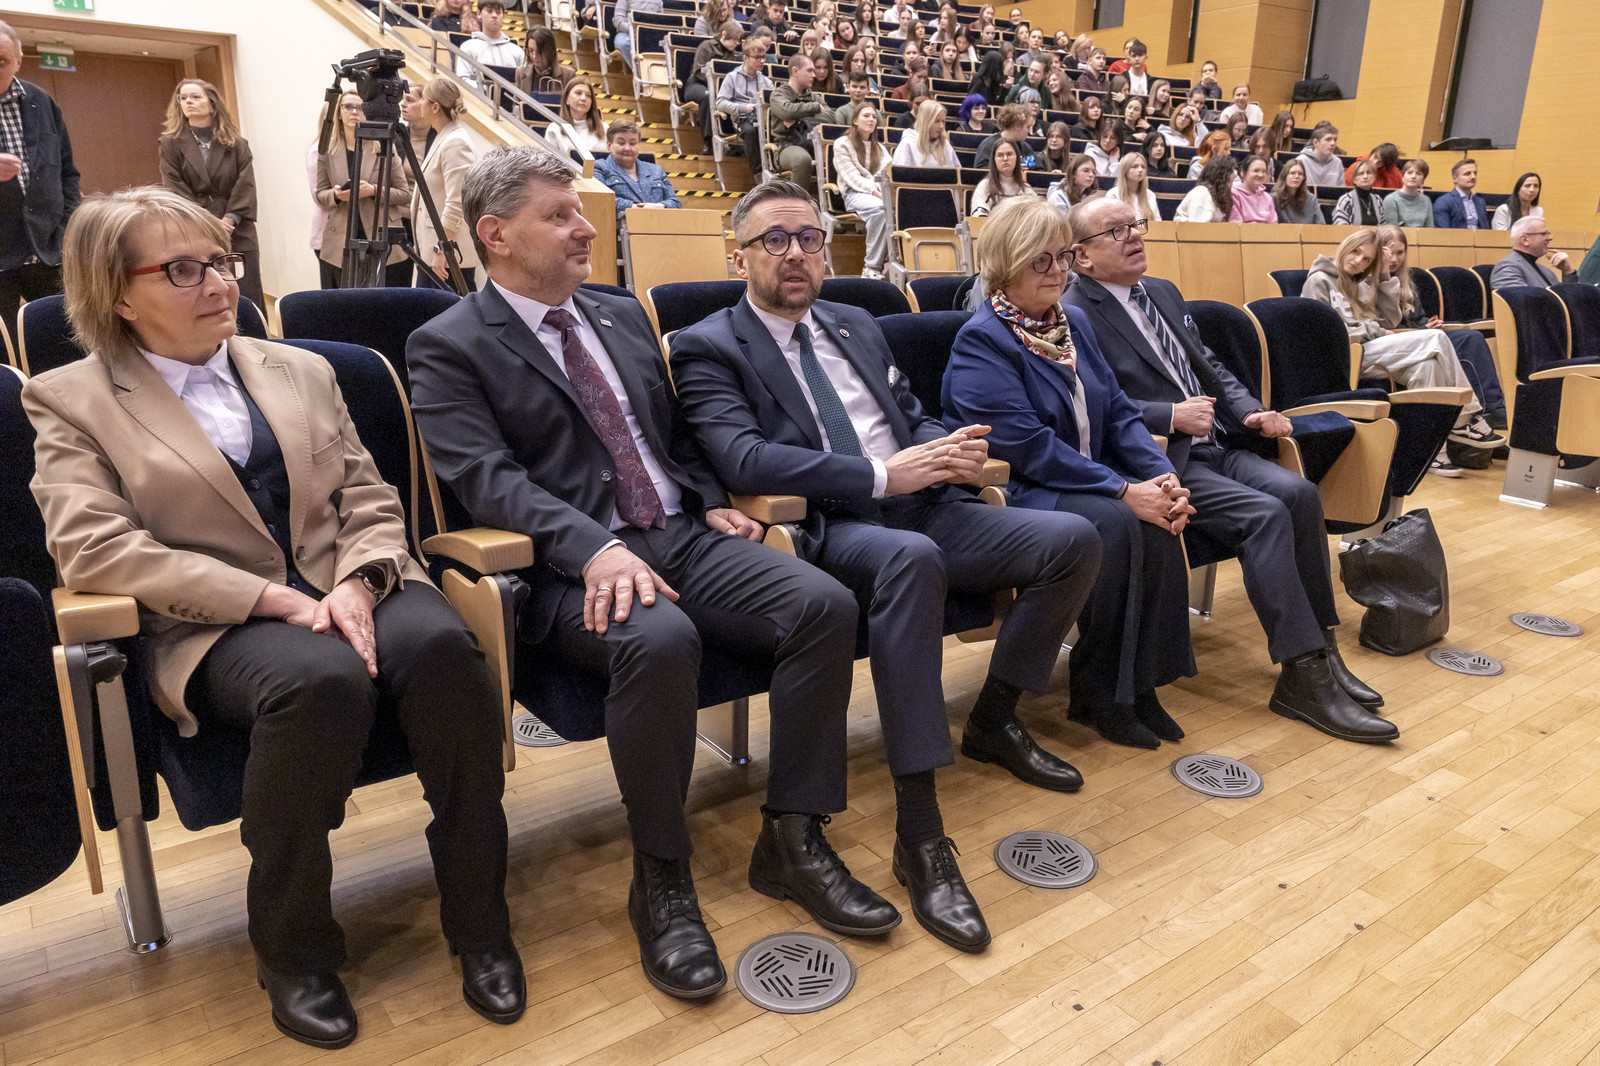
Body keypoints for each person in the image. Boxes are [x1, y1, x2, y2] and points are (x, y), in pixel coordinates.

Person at [27, 186, 523, 1050]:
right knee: (318, 680)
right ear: (116, 293)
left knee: (446, 647)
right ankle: (294, 950)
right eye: (184, 270)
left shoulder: (302, 370)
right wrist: (272, 599)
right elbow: (96, 549)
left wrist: (359, 584)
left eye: (221, 261)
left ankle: (480, 919)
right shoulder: (70, 398)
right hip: (215, 620)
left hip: (353, 582)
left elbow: (370, 498)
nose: (221, 283)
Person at [407, 146, 889, 1000]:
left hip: (678, 533)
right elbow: (485, 479)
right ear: (497, 235)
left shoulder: (620, 311)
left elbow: (668, 436)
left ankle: (793, 834)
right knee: (659, 641)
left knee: (822, 603)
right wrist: (593, 547)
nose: (585, 228)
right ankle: (662, 878)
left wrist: (712, 499)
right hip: (566, 568)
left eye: (579, 211)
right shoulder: (448, 343)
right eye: (560, 215)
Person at [670, 182, 1102, 947]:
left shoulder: (856, 324)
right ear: (739, 258)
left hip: (923, 505)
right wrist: (880, 476)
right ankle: (922, 834)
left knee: (1071, 539)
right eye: (775, 240)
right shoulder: (708, 344)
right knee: (912, 559)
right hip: (831, 524)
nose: (796, 254)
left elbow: (910, 416)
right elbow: (743, 456)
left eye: (810, 238)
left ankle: (996, 716)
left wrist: (947, 447)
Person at [1065, 197, 1394, 741]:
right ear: (1082, 256)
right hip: (1161, 456)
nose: (1135, 235)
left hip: (1218, 443)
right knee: (1264, 514)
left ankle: (1323, 652)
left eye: (1135, 225)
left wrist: (1249, 411)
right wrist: (1169, 414)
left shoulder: (1161, 291)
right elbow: (1091, 400)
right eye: (1116, 231)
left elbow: (1209, 365)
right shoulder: (1076, 310)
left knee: (1299, 494)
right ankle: (1302, 674)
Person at [943, 197, 1196, 748]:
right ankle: (1100, 694)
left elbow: (1121, 413)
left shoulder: (1072, 321)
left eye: (1061, 257)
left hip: (1088, 478)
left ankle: (1138, 686)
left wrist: (1161, 477)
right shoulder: (982, 339)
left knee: (1158, 522)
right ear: (1006, 264)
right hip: (1022, 489)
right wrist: (1123, 489)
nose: (1057, 270)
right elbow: (1029, 447)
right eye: (1041, 260)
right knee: (1116, 522)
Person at [1302, 229, 1505, 459]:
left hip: (1369, 350)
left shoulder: (1356, 281)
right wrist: (1376, 331)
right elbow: (1323, 332)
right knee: (1436, 338)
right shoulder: (1318, 280)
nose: (1359, 261)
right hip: (1345, 356)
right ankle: (1465, 417)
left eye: (1367, 259)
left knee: (1428, 366)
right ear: (1346, 247)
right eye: (1356, 252)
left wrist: (1384, 274)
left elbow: (1389, 320)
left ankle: (1431, 454)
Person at [1376, 224, 1504, 433]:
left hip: (1421, 337)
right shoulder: (1372, 282)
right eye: (1390, 254)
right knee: (1467, 340)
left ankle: (1493, 407)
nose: (1395, 259)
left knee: (1472, 337)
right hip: (1398, 344)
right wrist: (1422, 329)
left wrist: (1429, 324)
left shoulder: (1406, 280)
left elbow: (1416, 318)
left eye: (1400, 253)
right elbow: (1386, 324)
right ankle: (1480, 411)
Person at [0, 20, 79, 352]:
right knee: (5, 355)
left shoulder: (41, 101)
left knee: (65, 345)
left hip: (47, 252)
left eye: (1, 61)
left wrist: (67, 229)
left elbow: (67, 173)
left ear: (19, 61)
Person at [158, 79, 262, 311]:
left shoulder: (237, 144)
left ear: (212, 104)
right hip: (195, 227)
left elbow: (246, 184)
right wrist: (208, 221)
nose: (188, 102)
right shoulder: (170, 144)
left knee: (247, 295)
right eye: (183, 98)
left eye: (195, 96)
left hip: (237, 227)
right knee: (208, 294)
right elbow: (174, 187)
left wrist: (230, 219)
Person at [315, 91, 414, 289]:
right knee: (341, 302)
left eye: (359, 108)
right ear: (339, 113)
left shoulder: (384, 146)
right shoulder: (327, 150)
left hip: (380, 238)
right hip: (340, 240)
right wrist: (336, 195)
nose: (354, 112)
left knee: (382, 302)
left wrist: (373, 191)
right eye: (348, 107)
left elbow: (405, 194)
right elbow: (320, 194)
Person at [412, 78, 482, 290]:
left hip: (447, 258)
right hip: (435, 252)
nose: (419, 103)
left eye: (423, 99)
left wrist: (442, 250)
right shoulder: (444, 136)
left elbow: (457, 202)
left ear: (435, 107)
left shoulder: (455, 142)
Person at [831, 103, 891, 278]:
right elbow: (852, 177)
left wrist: (879, 191)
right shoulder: (842, 144)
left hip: (877, 193)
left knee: (899, 209)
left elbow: (886, 173)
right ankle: (871, 268)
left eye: (874, 116)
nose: (871, 119)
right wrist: (874, 190)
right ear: (855, 120)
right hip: (853, 193)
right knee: (881, 210)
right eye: (866, 115)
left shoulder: (880, 148)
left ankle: (892, 262)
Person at [594, 119, 682, 220]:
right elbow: (601, 200)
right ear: (609, 145)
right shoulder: (599, 168)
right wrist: (634, 208)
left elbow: (675, 203)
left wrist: (660, 206)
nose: (627, 148)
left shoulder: (656, 170)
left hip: (660, 225)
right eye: (621, 143)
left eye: (632, 143)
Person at [717, 39, 774, 174]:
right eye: (757, 57)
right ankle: (759, 173)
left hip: (762, 118)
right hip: (741, 119)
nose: (762, 61)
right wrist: (743, 107)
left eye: (763, 57)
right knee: (750, 131)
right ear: (745, 58)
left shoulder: (767, 82)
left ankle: (775, 168)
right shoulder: (732, 77)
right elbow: (720, 103)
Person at [770, 54, 825, 191]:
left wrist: (799, 119)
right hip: (786, 145)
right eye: (809, 71)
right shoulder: (778, 94)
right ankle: (797, 201)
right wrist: (815, 108)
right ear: (795, 71)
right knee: (802, 159)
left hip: (812, 143)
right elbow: (787, 112)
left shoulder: (815, 97)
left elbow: (830, 117)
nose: (814, 75)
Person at [685, 21, 743, 138]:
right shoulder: (706, 46)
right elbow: (698, 71)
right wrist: (716, 83)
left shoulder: (731, 54)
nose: (737, 43)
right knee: (709, 96)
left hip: (718, 88)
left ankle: (732, 136)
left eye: (738, 40)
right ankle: (708, 140)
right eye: (735, 39)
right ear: (724, 34)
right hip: (697, 84)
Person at [1490, 215, 1576, 289]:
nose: (1550, 238)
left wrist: (1567, 270)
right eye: (1544, 234)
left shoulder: (1546, 271)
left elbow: (1567, 298)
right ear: (1525, 240)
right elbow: (1521, 300)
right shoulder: (1507, 268)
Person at [457, 1, 525, 83]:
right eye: (489, 11)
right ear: (479, 14)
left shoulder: (517, 51)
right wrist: (482, 85)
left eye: (498, 12)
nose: (494, 15)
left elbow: (524, 82)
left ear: (503, 16)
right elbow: (465, 78)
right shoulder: (468, 47)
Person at [546, 76, 609, 157]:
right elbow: (548, 162)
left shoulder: (605, 128)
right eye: (578, 93)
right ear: (567, 99)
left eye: (588, 96)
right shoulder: (555, 129)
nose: (583, 98)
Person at [971, 139, 1036, 216]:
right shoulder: (985, 187)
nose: (1005, 158)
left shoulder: (1026, 190)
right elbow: (978, 217)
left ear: (1017, 158)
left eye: (1009, 154)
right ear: (994, 160)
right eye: (1000, 155)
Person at [892, 98, 959, 167]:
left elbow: (956, 172)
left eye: (943, 121)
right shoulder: (907, 144)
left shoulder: (945, 145)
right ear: (925, 122)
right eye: (937, 121)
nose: (941, 126)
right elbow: (899, 172)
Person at [517, 26, 577, 95]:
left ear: (550, 51)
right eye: (531, 51)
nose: (534, 56)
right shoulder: (520, 74)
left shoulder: (568, 75)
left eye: (539, 52)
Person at [1432, 158, 1490, 229]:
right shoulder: (1443, 202)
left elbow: (1486, 230)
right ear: (1454, 179)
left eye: (1475, 173)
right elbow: (1442, 232)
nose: (1473, 177)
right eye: (1467, 174)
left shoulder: (1480, 202)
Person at [1174, 155, 1233, 222]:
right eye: (1231, 172)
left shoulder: (1219, 195)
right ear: (1221, 176)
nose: (1234, 175)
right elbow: (1198, 226)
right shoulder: (1202, 193)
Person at [613, 0, 666, 70]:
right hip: (627, 33)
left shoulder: (658, 1)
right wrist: (633, 30)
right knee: (622, 43)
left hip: (649, 36)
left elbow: (661, 22)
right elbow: (617, 20)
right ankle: (640, 72)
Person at [1381, 158, 1434, 228]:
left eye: (1418, 174)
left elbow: (1429, 229)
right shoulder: (1391, 199)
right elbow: (1391, 230)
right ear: (1402, 177)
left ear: (1423, 180)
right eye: (1409, 173)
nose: (1413, 176)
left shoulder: (1426, 200)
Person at [1332, 159, 1383, 226]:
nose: (1365, 176)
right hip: (1352, 233)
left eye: (1369, 173)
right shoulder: (1346, 199)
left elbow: (1384, 225)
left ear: (1374, 177)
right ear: (1354, 180)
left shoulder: (1377, 200)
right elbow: (1340, 225)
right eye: (1361, 173)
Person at [1110, 151, 1158, 222]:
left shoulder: (1150, 195)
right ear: (1125, 170)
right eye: (1135, 166)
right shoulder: (1113, 194)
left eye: (1143, 167)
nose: (1140, 170)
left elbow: (1158, 223)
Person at [1274, 158, 1323, 225]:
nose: (1296, 176)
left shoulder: (1311, 199)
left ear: (1303, 178)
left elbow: (1320, 225)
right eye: (1292, 173)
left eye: (1300, 174)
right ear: (1285, 176)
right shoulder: (1274, 198)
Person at [1229, 156, 1276, 224]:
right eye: (1256, 171)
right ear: (1243, 172)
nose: (1261, 175)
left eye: (1264, 171)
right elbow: (1235, 223)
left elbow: (1274, 224)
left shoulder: (1267, 197)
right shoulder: (1234, 193)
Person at [1296, 122, 1345, 187]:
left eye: (1335, 140)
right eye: (1328, 139)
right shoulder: (1301, 160)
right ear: (1315, 142)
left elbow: (1340, 189)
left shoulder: (1337, 162)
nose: (1333, 143)